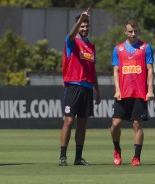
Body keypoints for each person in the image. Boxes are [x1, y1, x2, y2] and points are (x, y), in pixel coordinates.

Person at [59, 8, 101, 166]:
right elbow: (71, 34)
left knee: (82, 123)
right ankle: (63, 156)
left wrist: (97, 91)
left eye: (86, 26)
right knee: (69, 121)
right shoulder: (71, 41)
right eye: (81, 26)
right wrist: (80, 19)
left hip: (87, 88)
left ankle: (78, 157)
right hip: (73, 87)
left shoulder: (91, 46)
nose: (84, 29)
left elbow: (93, 70)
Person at [110, 19, 154, 166]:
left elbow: (150, 70)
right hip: (122, 93)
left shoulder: (146, 48)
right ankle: (117, 149)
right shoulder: (118, 49)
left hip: (140, 92)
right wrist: (117, 89)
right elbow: (116, 71)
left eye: (135, 31)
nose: (133, 34)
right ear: (125, 32)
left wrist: (150, 90)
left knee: (137, 124)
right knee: (115, 124)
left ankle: (136, 157)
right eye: (130, 31)